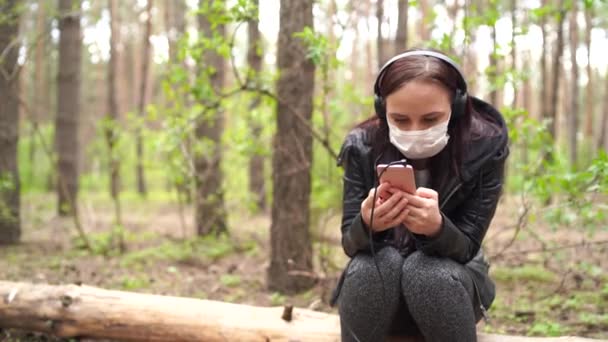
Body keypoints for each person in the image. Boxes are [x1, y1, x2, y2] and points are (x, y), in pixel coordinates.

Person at [330, 48, 509, 342]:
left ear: (457, 106)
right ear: (381, 109)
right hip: (379, 293)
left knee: (427, 272)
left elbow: (467, 247)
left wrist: (438, 229)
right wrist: (367, 224)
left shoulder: (485, 148)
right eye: (400, 119)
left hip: (450, 291)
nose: (415, 131)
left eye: (430, 119)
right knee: (374, 264)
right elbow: (351, 244)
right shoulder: (361, 145)